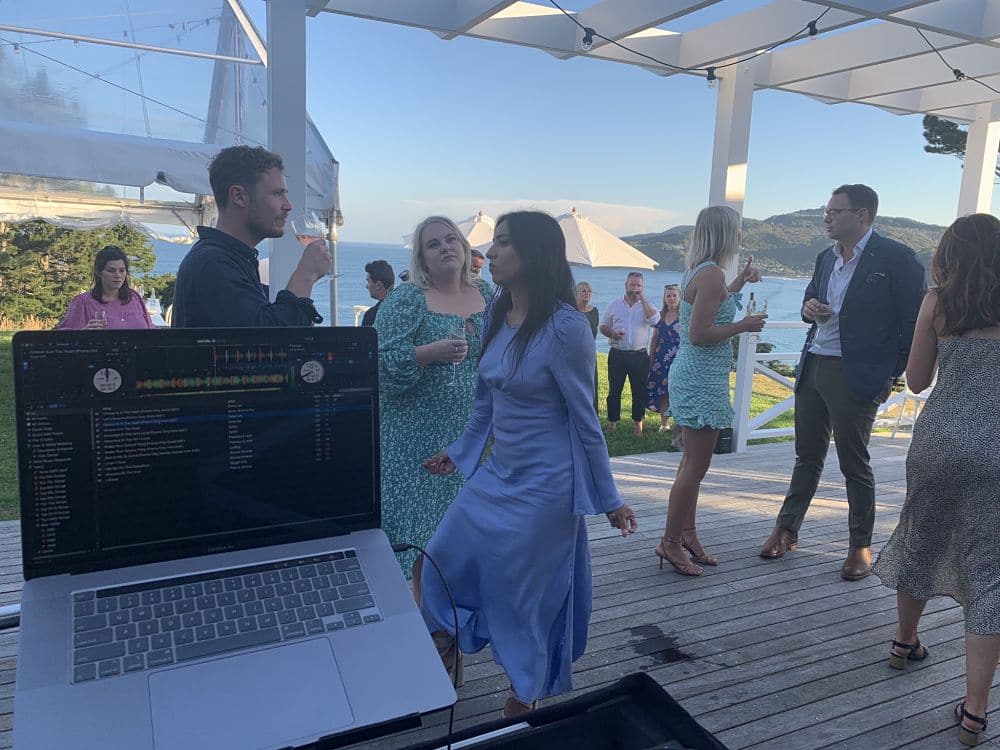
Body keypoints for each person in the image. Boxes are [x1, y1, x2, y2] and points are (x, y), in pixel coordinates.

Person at [421, 211, 637, 718]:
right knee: (438, 563)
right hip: (497, 477)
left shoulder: (566, 328)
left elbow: (586, 421)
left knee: (525, 599)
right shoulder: (497, 311)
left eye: (502, 244)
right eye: (491, 244)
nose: (489, 253)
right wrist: (459, 453)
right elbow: (485, 402)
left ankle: (524, 696)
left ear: (533, 254)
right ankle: (450, 651)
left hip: (546, 489)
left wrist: (608, 500)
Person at [872, 213, 1000, 747]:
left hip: (938, 441)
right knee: (990, 568)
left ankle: (904, 643)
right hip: (996, 448)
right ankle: (974, 713)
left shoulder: (937, 303)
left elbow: (918, 380)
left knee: (921, 535)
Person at [758, 184, 925, 581]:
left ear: (862, 215)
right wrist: (809, 307)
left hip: (857, 373)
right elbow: (809, 302)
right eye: (826, 211)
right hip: (814, 363)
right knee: (807, 455)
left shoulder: (898, 259)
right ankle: (786, 529)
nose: (827, 218)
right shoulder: (824, 258)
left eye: (835, 211)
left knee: (854, 461)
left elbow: (912, 324)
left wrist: (891, 374)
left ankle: (859, 546)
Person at [373, 216, 490, 597]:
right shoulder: (408, 298)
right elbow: (375, 364)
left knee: (457, 540)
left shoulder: (487, 295)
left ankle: (446, 633)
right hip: (410, 440)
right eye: (433, 244)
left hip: (465, 438)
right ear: (421, 258)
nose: (445, 248)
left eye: (451, 239)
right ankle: (415, 630)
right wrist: (427, 354)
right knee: (413, 541)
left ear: (465, 246)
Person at [655, 206, 764, 576]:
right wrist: (744, 325)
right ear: (724, 234)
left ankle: (687, 533)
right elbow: (700, 334)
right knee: (695, 466)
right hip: (701, 378)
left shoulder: (700, 271)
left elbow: (713, 306)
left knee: (691, 464)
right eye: (735, 232)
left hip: (695, 374)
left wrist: (740, 284)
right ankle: (670, 541)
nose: (738, 238)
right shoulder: (713, 273)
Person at [171, 145, 331, 327]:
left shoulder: (231, 259)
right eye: (277, 194)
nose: (288, 206)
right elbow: (271, 339)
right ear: (239, 196)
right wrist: (306, 275)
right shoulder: (213, 263)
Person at [599, 272, 659, 436]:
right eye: (632, 285)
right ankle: (612, 424)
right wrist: (612, 333)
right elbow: (602, 326)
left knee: (639, 391)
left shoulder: (647, 306)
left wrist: (643, 300)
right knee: (614, 390)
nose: (635, 289)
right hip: (618, 354)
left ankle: (638, 427)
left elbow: (655, 322)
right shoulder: (614, 305)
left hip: (639, 356)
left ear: (642, 287)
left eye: (639, 285)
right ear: (626, 285)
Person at [59, 245, 155, 330]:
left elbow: (151, 331)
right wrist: (84, 334)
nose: (118, 275)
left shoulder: (134, 297)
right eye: (111, 271)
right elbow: (64, 340)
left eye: (122, 270)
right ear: (99, 272)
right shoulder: (83, 302)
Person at [646, 284, 682, 432]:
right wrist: (651, 355)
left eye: (674, 295)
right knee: (661, 391)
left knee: (677, 390)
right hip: (660, 358)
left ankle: (680, 423)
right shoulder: (659, 315)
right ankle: (664, 423)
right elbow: (654, 337)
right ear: (665, 298)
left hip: (678, 357)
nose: (671, 298)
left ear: (679, 297)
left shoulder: (685, 315)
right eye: (668, 295)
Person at [576, 281, 600, 412]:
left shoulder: (594, 311)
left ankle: (592, 418)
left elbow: (594, 333)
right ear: (576, 293)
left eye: (589, 291)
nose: (587, 293)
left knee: (592, 387)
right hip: (573, 355)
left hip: (589, 355)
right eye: (583, 290)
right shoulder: (570, 311)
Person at [361, 259, 394, 326]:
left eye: (368, 281)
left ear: (378, 285)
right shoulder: (404, 307)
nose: (367, 286)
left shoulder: (371, 315)